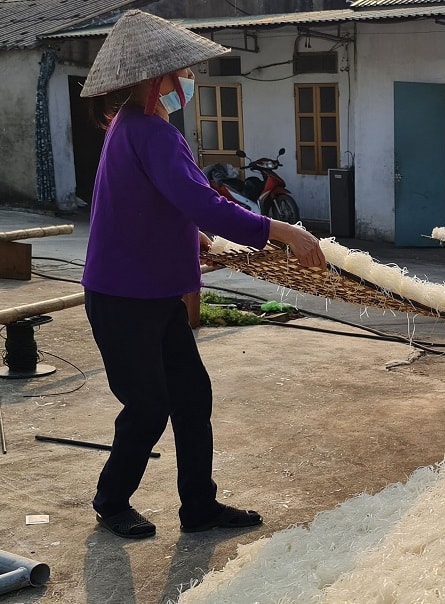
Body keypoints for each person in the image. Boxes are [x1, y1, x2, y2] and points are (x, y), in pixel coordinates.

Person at [79, 10, 326, 539]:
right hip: (124, 296)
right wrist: (285, 233)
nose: (189, 81)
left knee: (192, 397)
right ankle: (111, 499)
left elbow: (151, 201)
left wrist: (187, 234)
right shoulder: (148, 132)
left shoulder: (138, 128)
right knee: (147, 406)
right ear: (157, 80)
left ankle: (199, 506)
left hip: (155, 294)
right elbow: (203, 203)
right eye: (183, 73)